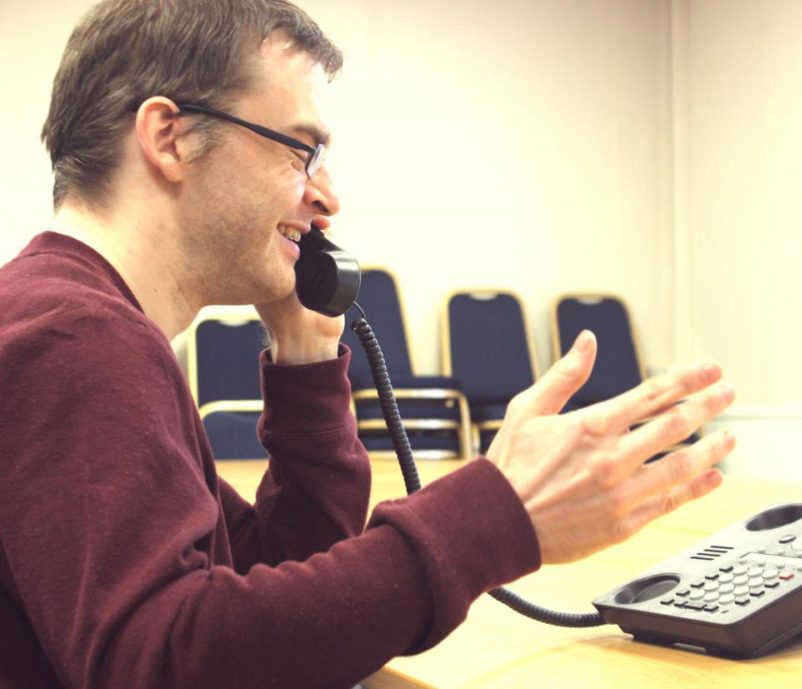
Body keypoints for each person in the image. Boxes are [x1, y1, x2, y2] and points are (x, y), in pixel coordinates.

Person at [0, 1, 735, 687]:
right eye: (301, 151)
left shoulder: (77, 321)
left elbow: (279, 579)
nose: (327, 197)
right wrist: (496, 513)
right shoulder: (73, 338)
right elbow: (168, 661)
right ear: (171, 138)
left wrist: (307, 357)